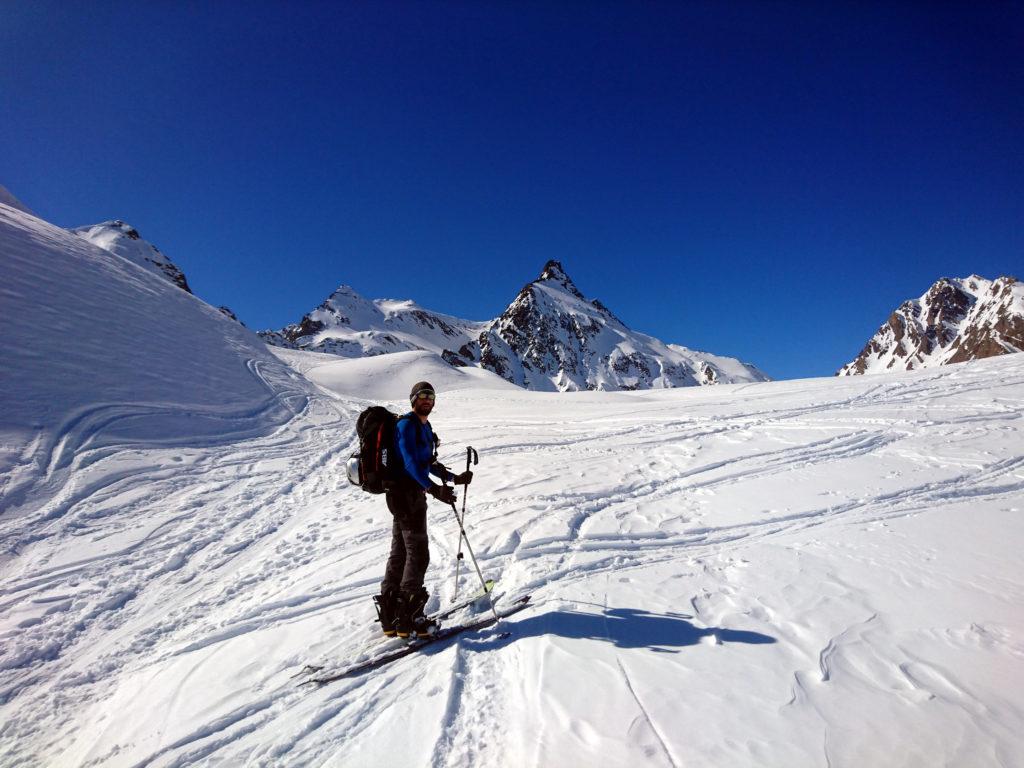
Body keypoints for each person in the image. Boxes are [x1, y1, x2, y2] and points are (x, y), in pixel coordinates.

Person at [375, 381, 473, 638]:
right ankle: (410, 617)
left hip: (409, 496)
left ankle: (391, 615)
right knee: (418, 554)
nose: (428, 399)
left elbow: (427, 462)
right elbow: (409, 462)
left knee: (400, 553)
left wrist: (453, 479)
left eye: (431, 396)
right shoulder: (406, 425)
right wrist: (432, 489)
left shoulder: (425, 427)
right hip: (405, 497)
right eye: (423, 396)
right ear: (413, 399)